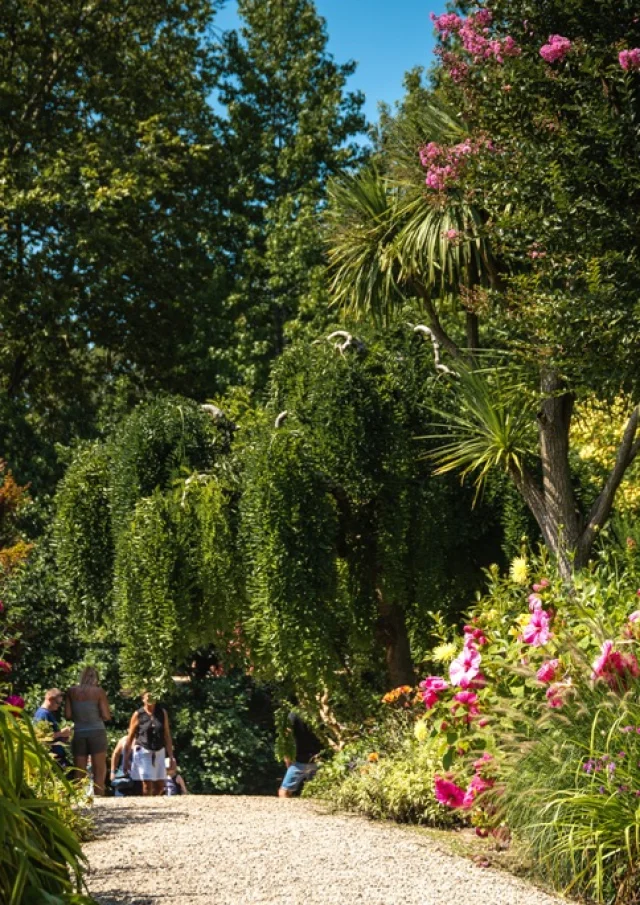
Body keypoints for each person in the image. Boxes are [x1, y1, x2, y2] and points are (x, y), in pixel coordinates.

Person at [65, 666, 111, 796]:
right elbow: (106, 715)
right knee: (99, 769)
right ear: (95, 677)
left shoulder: (71, 692)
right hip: (97, 731)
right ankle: (99, 797)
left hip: (79, 732)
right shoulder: (99, 692)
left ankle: (78, 798)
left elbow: (68, 715)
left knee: (79, 770)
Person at [125, 690, 175, 796]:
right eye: (148, 697)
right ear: (143, 699)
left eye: (153, 697)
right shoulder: (138, 714)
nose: (151, 700)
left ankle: (154, 801)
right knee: (147, 784)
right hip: (143, 749)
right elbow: (130, 737)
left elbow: (167, 735)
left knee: (160, 784)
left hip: (159, 750)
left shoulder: (162, 713)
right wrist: (126, 758)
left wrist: (171, 757)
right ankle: (147, 804)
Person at [278, 710, 322, 798]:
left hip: (299, 759)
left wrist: (287, 756)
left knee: (284, 790)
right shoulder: (321, 712)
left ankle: (284, 810)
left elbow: (287, 736)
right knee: (320, 792)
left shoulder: (294, 714)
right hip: (319, 758)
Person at [33, 688, 70, 768]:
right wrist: (61, 733)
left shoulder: (48, 713)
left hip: (57, 756)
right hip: (52, 759)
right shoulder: (42, 714)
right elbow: (41, 737)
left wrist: (62, 737)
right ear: (50, 699)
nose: (59, 706)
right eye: (57, 703)